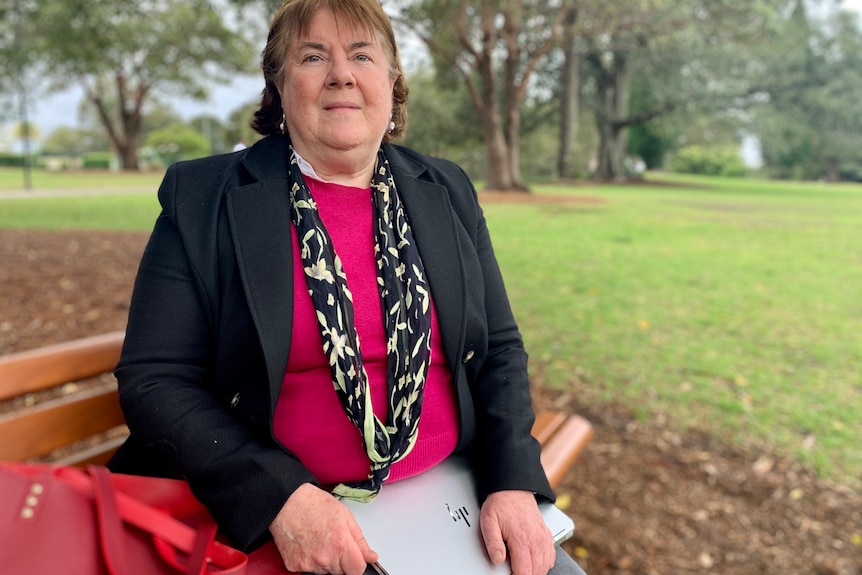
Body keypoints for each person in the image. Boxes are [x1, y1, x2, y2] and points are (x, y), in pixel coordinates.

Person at [108, 1, 586, 574]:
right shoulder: (204, 198)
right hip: (285, 515)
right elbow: (155, 380)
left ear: (391, 82)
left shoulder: (446, 188)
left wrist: (510, 480)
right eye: (313, 56)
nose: (342, 73)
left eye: (362, 55)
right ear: (279, 86)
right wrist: (279, 497)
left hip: (452, 498)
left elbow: (499, 348)